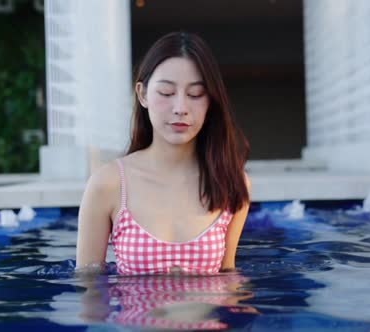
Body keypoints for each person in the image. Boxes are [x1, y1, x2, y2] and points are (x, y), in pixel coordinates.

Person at [76, 31, 251, 275]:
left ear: (210, 101)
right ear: (143, 94)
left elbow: (228, 275)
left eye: (195, 94)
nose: (180, 108)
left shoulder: (230, 181)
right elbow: (88, 286)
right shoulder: (108, 184)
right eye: (167, 93)